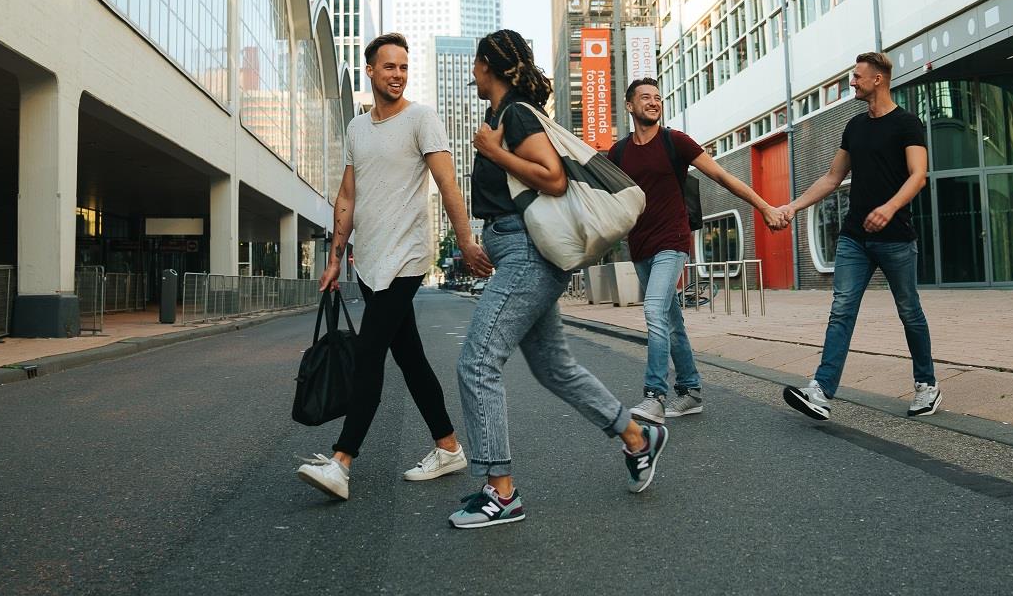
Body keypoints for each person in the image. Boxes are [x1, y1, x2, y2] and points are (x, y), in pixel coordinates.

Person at [448, 30, 665, 530]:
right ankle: (637, 436)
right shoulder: (502, 118)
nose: (473, 75)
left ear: (489, 66)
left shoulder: (515, 116)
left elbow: (554, 178)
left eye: (477, 65)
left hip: (527, 254)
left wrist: (494, 151)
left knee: (478, 361)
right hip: (520, 250)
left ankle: (500, 492)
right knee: (553, 367)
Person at [296, 33, 492, 501]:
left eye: (404, 67)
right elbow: (347, 195)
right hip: (370, 260)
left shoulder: (422, 119)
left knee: (369, 355)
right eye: (389, 67)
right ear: (370, 71)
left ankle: (342, 460)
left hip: (406, 258)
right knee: (410, 357)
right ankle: (448, 446)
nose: (398, 74)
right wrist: (336, 257)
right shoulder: (357, 128)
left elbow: (447, 183)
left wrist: (466, 239)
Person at [608, 78, 789, 422]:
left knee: (654, 311)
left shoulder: (674, 141)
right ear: (630, 106)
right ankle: (690, 391)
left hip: (673, 241)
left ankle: (654, 396)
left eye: (658, 97)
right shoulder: (619, 153)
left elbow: (722, 176)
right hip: (640, 246)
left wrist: (764, 207)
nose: (653, 102)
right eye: (645, 97)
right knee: (671, 320)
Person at [776, 51, 938, 422]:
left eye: (857, 76)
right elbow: (832, 178)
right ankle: (820, 390)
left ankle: (926, 384)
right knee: (842, 309)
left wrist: (890, 207)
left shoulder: (907, 124)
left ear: (878, 79)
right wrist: (793, 207)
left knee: (909, 311)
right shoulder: (854, 126)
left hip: (896, 237)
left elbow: (918, 175)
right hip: (854, 238)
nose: (852, 82)